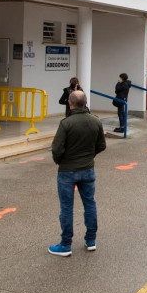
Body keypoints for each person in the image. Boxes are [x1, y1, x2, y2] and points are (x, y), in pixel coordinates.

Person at [49, 90, 106, 256]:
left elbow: (56, 149)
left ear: (70, 103)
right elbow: (101, 145)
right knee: (90, 203)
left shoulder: (66, 123)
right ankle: (91, 240)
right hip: (88, 170)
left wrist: (61, 161)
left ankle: (65, 244)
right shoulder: (96, 121)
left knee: (66, 208)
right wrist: (89, 156)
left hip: (67, 171)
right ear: (86, 103)